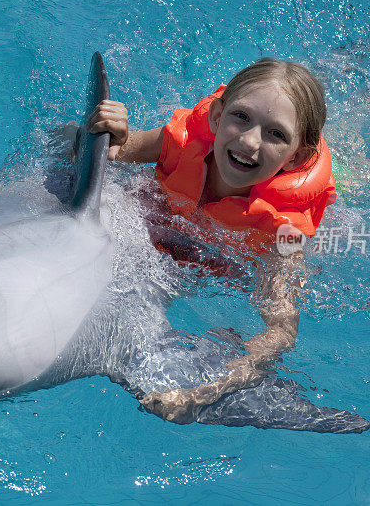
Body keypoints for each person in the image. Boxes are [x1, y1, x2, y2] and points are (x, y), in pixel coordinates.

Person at [87, 58, 337, 424]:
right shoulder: (178, 143)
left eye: (276, 134)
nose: (249, 141)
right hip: (180, 237)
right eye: (241, 117)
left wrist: (204, 393)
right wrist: (108, 130)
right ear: (217, 116)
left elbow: (281, 331)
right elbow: (109, 153)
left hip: (226, 257)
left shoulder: (282, 233)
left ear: (296, 155)